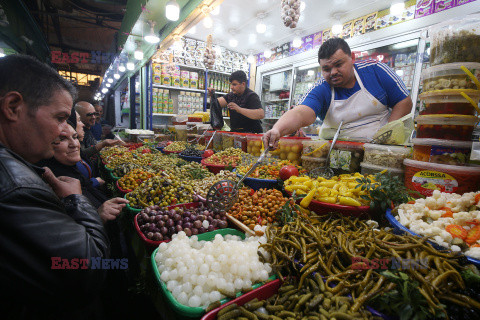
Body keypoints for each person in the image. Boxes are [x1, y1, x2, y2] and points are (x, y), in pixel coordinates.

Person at [0, 54, 109, 318]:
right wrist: (77, 201)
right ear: (13, 107)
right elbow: (88, 270)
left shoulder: (18, 168)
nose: (64, 131)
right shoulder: (17, 189)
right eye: (60, 118)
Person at [263, 38, 412, 148]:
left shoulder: (375, 70)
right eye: (326, 69)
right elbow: (300, 113)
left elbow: (404, 101)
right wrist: (277, 129)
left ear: (352, 58)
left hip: (380, 150)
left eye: (338, 65)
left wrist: (387, 136)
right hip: (338, 152)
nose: (333, 72)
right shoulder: (322, 88)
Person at [37, 116, 128, 222]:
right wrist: (97, 216)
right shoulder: (53, 185)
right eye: (62, 139)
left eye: (75, 137)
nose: (74, 144)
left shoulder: (73, 170)